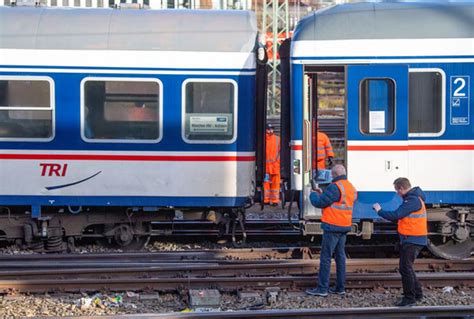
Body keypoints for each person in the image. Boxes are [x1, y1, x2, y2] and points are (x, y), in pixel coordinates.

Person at [373, 178, 427, 307]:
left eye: (397, 190)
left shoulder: (412, 200)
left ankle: (409, 299)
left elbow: (396, 215)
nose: (397, 193)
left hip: (413, 238)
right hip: (412, 238)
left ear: (401, 188)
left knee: (405, 269)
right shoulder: (414, 199)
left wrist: (380, 211)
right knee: (407, 268)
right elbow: (401, 218)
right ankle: (417, 294)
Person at [305, 164, 357, 297]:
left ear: (333, 174)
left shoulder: (335, 186)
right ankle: (340, 288)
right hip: (344, 226)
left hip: (332, 226)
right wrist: (323, 194)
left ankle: (322, 289)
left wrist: (312, 195)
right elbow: (338, 201)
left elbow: (320, 203)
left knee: (326, 257)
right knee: (340, 257)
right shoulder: (349, 186)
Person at [263, 123, 280, 206]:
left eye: (271, 129)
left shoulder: (277, 139)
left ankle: (275, 200)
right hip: (268, 166)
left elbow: (281, 152)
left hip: (274, 166)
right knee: (266, 184)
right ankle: (266, 200)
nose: (270, 130)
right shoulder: (263, 140)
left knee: (275, 184)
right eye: (269, 129)